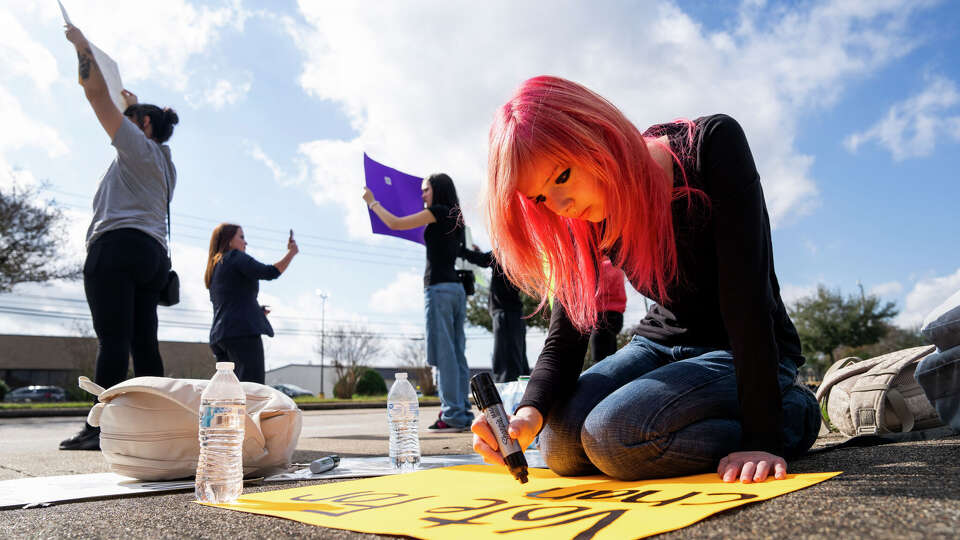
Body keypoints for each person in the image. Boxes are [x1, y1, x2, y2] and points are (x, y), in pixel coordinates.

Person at [472, 76, 821, 483]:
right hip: (657, 345)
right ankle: (678, 429)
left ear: (596, 134)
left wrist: (764, 437)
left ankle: (793, 411)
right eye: (541, 198)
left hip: (741, 348)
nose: (561, 207)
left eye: (562, 177)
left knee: (613, 436)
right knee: (557, 444)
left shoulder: (711, 146)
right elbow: (566, 336)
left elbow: (747, 301)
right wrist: (527, 415)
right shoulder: (580, 217)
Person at [60, 24, 180, 451]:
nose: (122, 124)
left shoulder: (136, 148)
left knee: (112, 339)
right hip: (152, 256)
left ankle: (100, 429)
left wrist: (82, 47)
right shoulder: (165, 163)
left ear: (143, 125)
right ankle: (159, 424)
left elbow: (96, 97)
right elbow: (137, 114)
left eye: (131, 120)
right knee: (144, 343)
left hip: (116, 247)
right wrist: (133, 103)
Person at [362, 174, 474, 432]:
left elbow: (396, 223)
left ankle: (453, 414)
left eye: (426, 190)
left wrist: (372, 202)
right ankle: (462, 412)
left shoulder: (437, 211)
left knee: (445, 355)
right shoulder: (456, 217)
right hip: (456, 290)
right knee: (457, 355)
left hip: (439, 289)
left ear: (438, 190)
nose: (422, 195)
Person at [204, 224, 298, 384]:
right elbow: (269, 272)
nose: (245, 242)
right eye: (241, 237)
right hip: (242, 334)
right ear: (229, 241)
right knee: (252, 388)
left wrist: (256, 311)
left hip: (220, 337)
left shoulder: (215, 267)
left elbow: (231, 301)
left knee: (229, 390)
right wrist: (291, 253)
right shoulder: (235, 257)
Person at [460, 244, 530, 382]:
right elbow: (486, 259)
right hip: (514, 314)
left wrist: (460, 249)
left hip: (506, 315)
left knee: (505, 361)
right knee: (517, 359)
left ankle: (507, 396)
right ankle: (521, 395)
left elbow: (483, 259)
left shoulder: (505, 251)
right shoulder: (516, 252)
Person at [589, 258, 626, 364]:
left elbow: (594, 291)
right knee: (611, 354)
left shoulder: (600, 268)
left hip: (602, 315)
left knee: (600, 360)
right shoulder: (617, 266)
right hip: (617, 315)